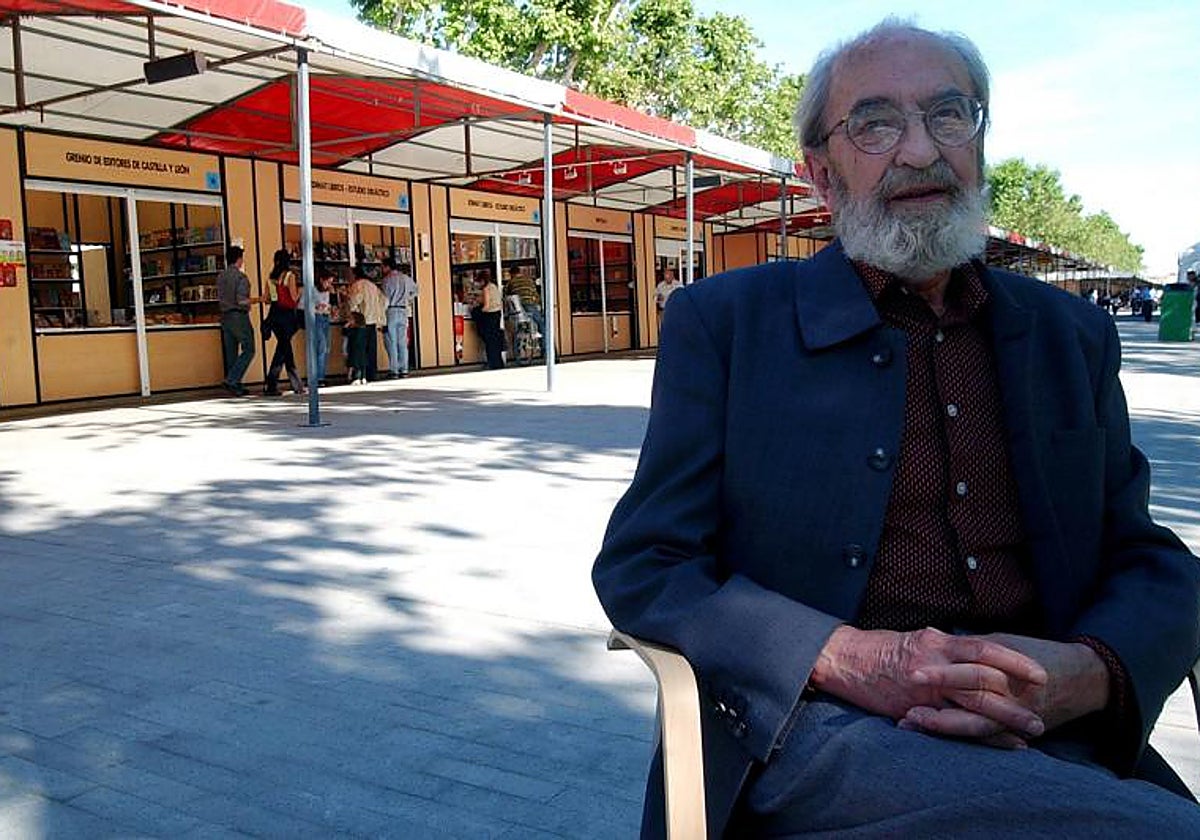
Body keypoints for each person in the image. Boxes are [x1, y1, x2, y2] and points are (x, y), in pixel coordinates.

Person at [593, 20, 1200, 839]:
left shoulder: (1069, 336)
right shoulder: (727, 324)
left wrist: (1086, 675)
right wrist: (852, 657)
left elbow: (1150, 559)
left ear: (980, 143)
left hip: (1051, 734)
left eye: (950, 115)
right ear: (821, 175)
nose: (920, 150)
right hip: (821, 735)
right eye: (876, 124)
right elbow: (647, 565)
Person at [216, 245, 257, 396]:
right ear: (239, 259)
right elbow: (242, 301)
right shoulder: (241, 277)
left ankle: (236, 385)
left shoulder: (221, 276)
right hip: (238, 316)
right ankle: (232, 380)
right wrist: (258, 299)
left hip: (225, 316)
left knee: (231, 351)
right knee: (249, 349)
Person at [263, 248, 304, 397]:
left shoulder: (271, 278)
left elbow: (268, 299)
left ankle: (273, 383)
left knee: (282, 349)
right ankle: (294, 384)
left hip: (274, 316)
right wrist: (301, 291)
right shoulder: (289, 276)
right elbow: (293, 298)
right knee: (285, 350)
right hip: (287, 317)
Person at [343, 264, 388, 382]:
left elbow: (354, 301)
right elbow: (384, 300)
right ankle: (371, 374)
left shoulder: (357, 285)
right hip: (373, 321)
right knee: (371, 349)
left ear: (354, 274)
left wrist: (348, 303)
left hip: (360, 321)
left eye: (349, 275)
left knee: (359, 349)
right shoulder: (373, 286)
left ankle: (358, 375)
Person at [381, 256, 418, 378]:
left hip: (391, 310)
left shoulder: (387, 280)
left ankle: (394, 370)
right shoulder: (406, 278)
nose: (382, 269)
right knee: (402, 341)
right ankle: (404, 369)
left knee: (392, 341)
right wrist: (408, 299)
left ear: (387, 266)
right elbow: (416, 291)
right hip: (403, 310)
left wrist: (382, 315)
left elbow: (384, 298)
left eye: (383, 266)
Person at [504, 265, 546, 347]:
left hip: (517, 309)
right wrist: (538, 304)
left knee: (518, 325)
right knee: (541, 323)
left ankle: (518, 346)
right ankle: (545, 347)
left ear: (511, 274)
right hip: (530, 305)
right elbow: (536, 295)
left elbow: (506, 296)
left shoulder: (511, 282)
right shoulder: (529, 280)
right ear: (520, 272)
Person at [473, 272, 505, 369]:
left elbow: (486, 306)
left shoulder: (486, 289)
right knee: (495, 341)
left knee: (489, 342)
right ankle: (498, 363)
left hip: (489, 316)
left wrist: (478, 311)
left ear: (482, 281)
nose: (479, 284)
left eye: (479, 282)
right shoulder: (494, 287)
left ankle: (492, 363)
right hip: (497, 315)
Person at [310, 267, 335, 387]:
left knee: (327, 347)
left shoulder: (328, 291)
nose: (329, 284)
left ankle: (322, 375)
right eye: (328, 282)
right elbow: (307, 305)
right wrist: (317, 307)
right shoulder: (313, 290)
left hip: (326, 318)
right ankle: (319, 377)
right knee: (322, 346)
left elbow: (331, 305)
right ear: (321, 280)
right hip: (317, 318)